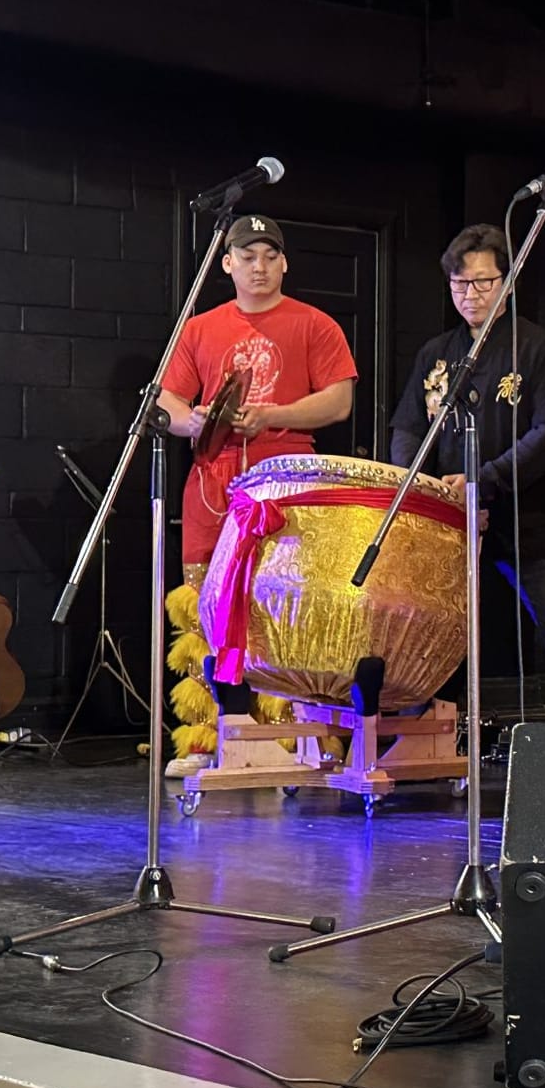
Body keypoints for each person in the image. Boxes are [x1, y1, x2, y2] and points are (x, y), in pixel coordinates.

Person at [156, 215, 359, 773]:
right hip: (213, 476)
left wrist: (272, 416)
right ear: (228, 265)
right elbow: (167, 402)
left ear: (285, 263)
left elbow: (338, 402)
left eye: (270, 256)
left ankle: (293, 740)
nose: (260, 266)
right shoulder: (199, 328)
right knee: (208, 611)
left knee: (284, 606)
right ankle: (210, 742)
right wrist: (192, 423)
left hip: (285, 473)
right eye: (248, 257)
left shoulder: (315, 324)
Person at [391, 224, 545, 723]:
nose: (472, 294)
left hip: (521, 517)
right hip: (447, 518)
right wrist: (418, 484)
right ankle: (428, 737)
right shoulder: (437, 353)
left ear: (507, 283)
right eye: (461, 284)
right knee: (427, 631)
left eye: (484, 282)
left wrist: (485, 480)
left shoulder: (538, 347)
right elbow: (405, 427)